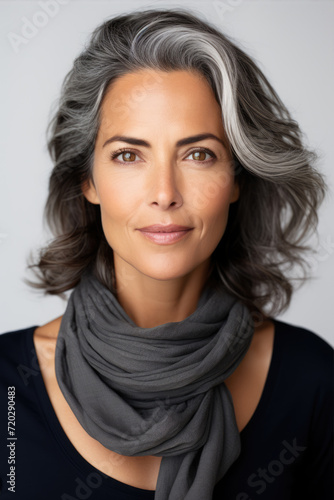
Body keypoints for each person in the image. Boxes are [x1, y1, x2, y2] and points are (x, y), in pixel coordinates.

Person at [0, 7, 333, 500]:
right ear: (87, 180)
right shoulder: (9, 385)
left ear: (237, 179)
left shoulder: (311, 381)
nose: (164, 192)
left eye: (198, 154)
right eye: (128, 155)